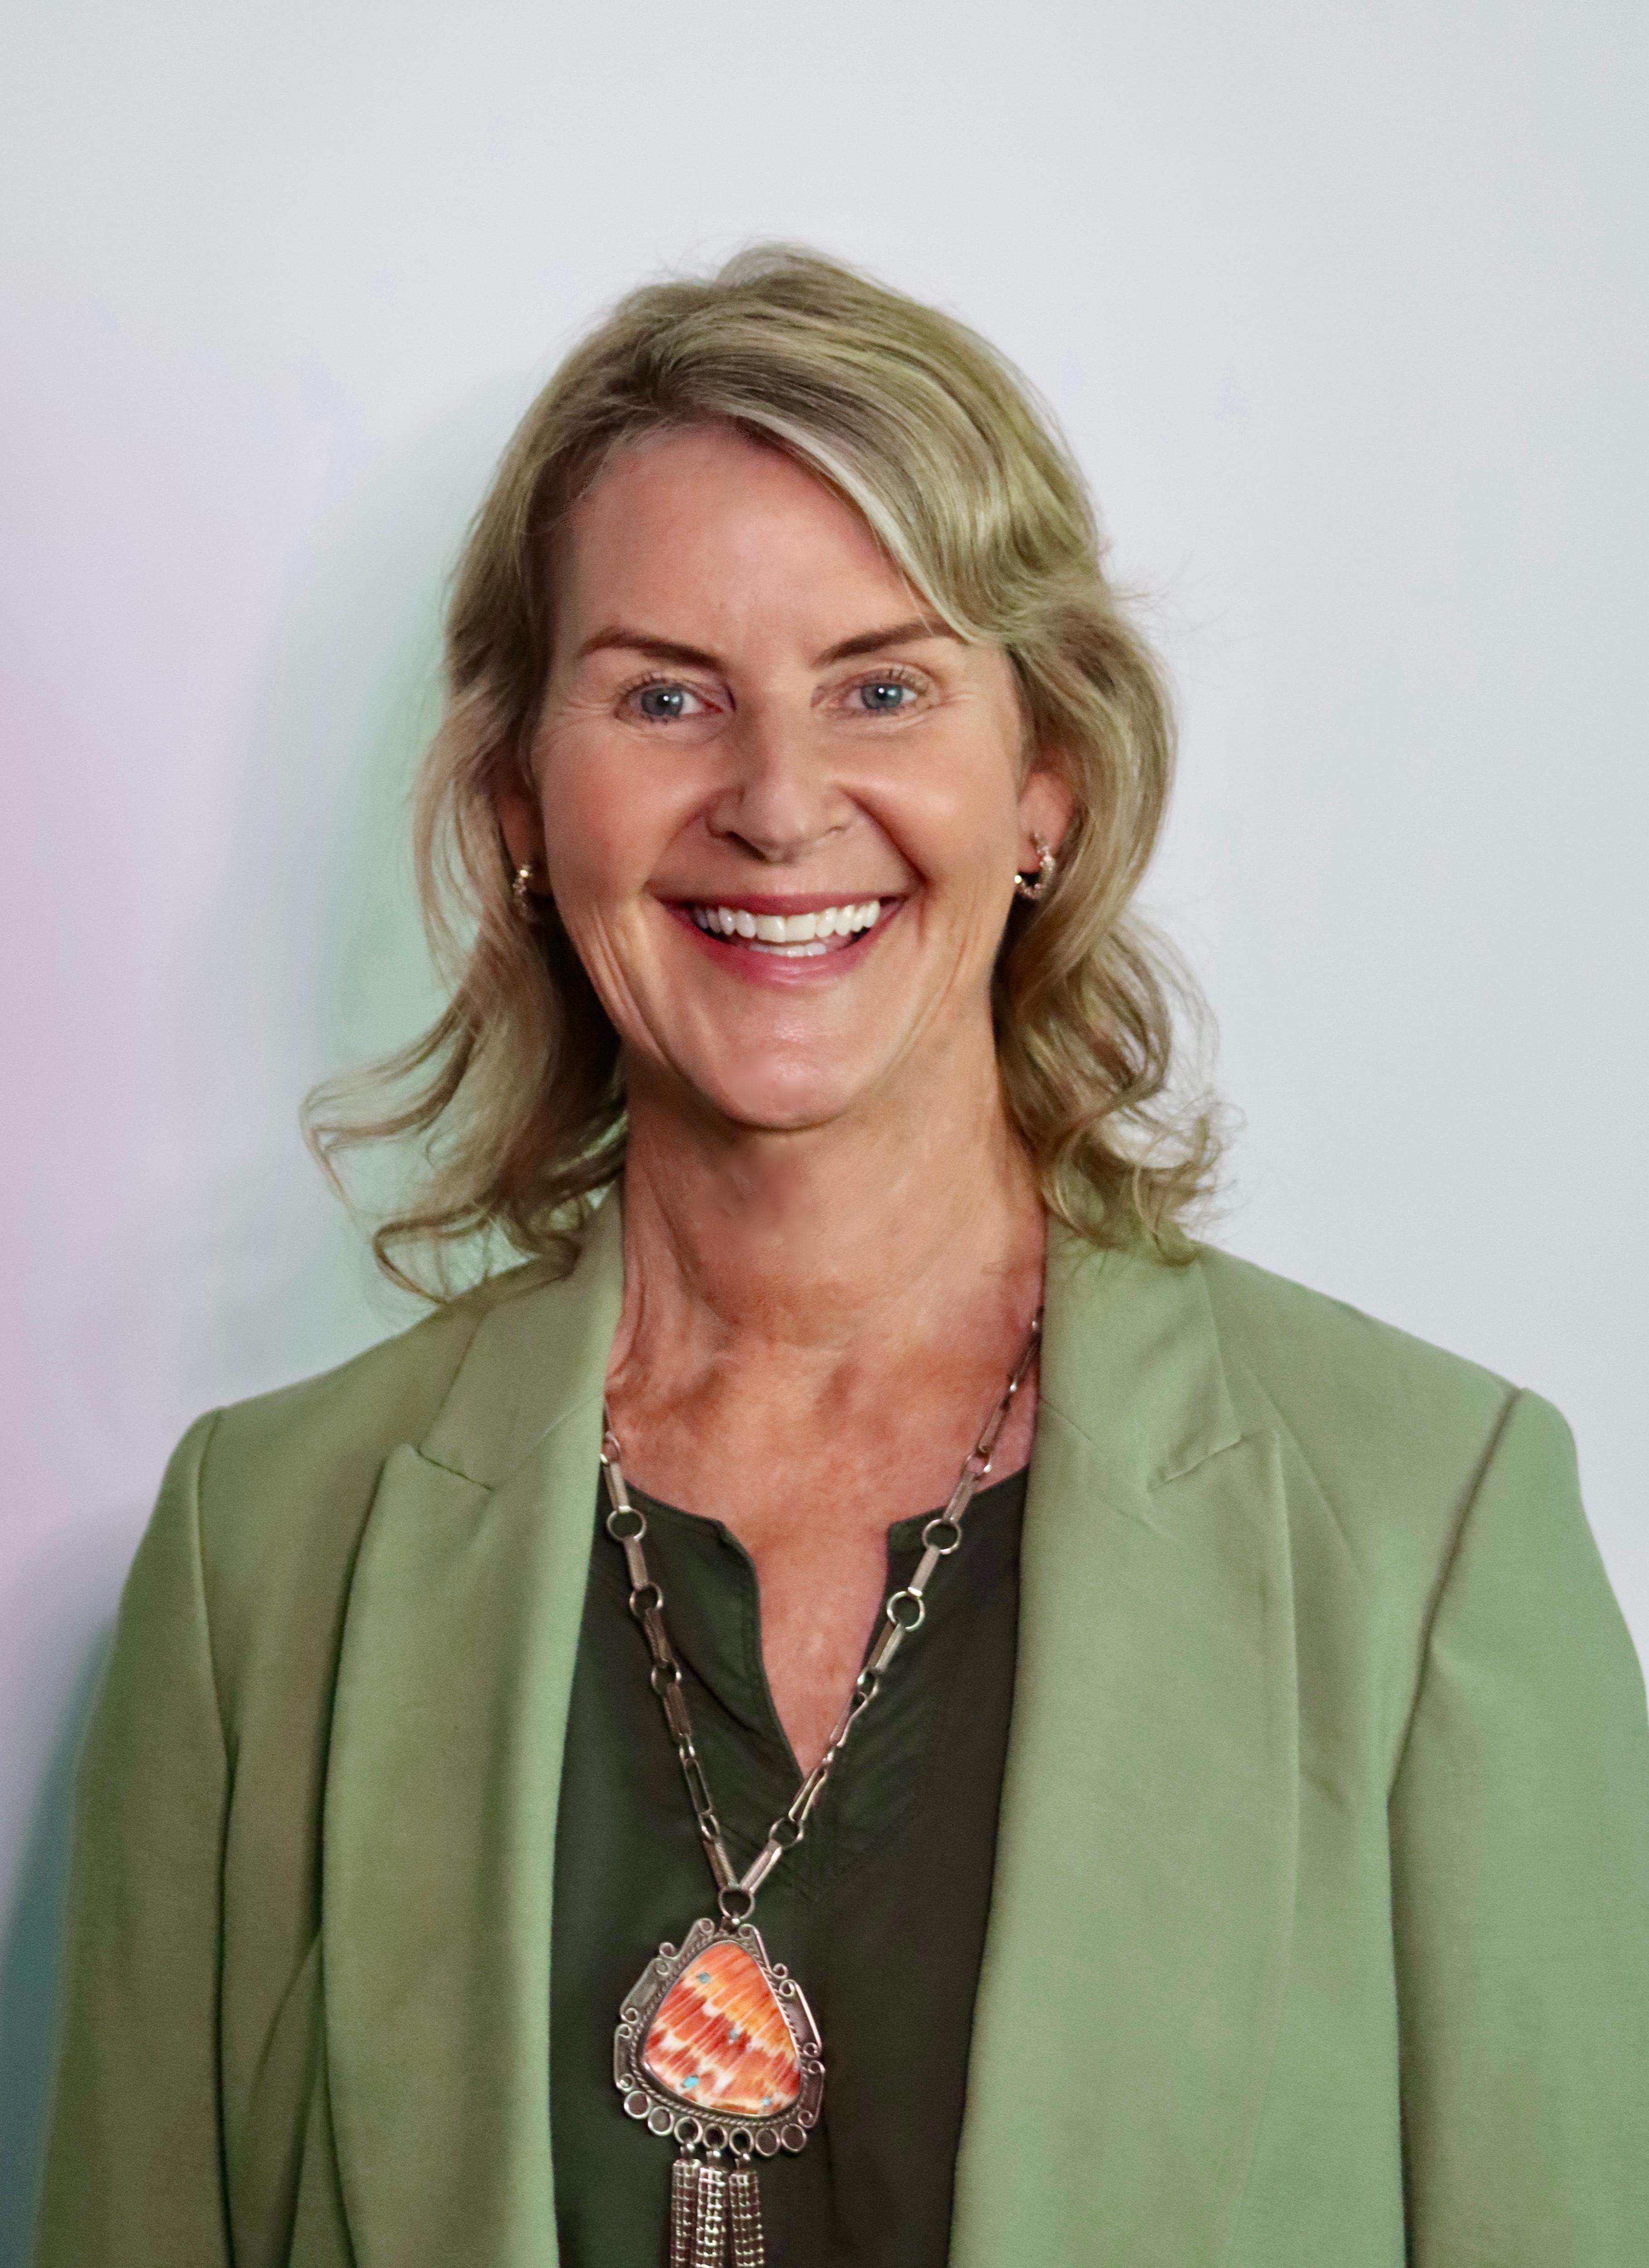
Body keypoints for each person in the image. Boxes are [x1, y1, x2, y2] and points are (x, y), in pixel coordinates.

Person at [34, 247, 1649, 2268]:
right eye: (663, 695)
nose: (781, 804)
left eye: (882, 685)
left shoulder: (1431, 1531)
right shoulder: (256, 1563)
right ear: (525, 794)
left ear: (1045, 780)